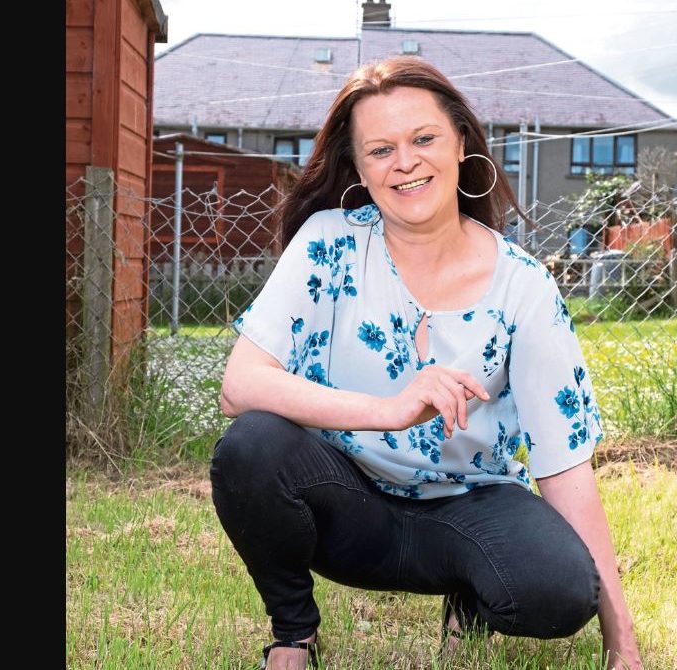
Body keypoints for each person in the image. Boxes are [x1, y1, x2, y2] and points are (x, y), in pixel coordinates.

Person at [209, 56, 643, 670]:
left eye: (423, 138)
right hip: (346, 504)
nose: (405, 162)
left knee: (559, 590)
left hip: (469, 505)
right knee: (250, 447)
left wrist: (622, 643)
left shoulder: (524, 286)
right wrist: (389, 409)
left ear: (461, 142)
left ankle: (469, 601)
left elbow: (563, 461)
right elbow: (240, 385)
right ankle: (294, 635)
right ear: (358, 168)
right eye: (380, 149)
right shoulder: (329, 243)